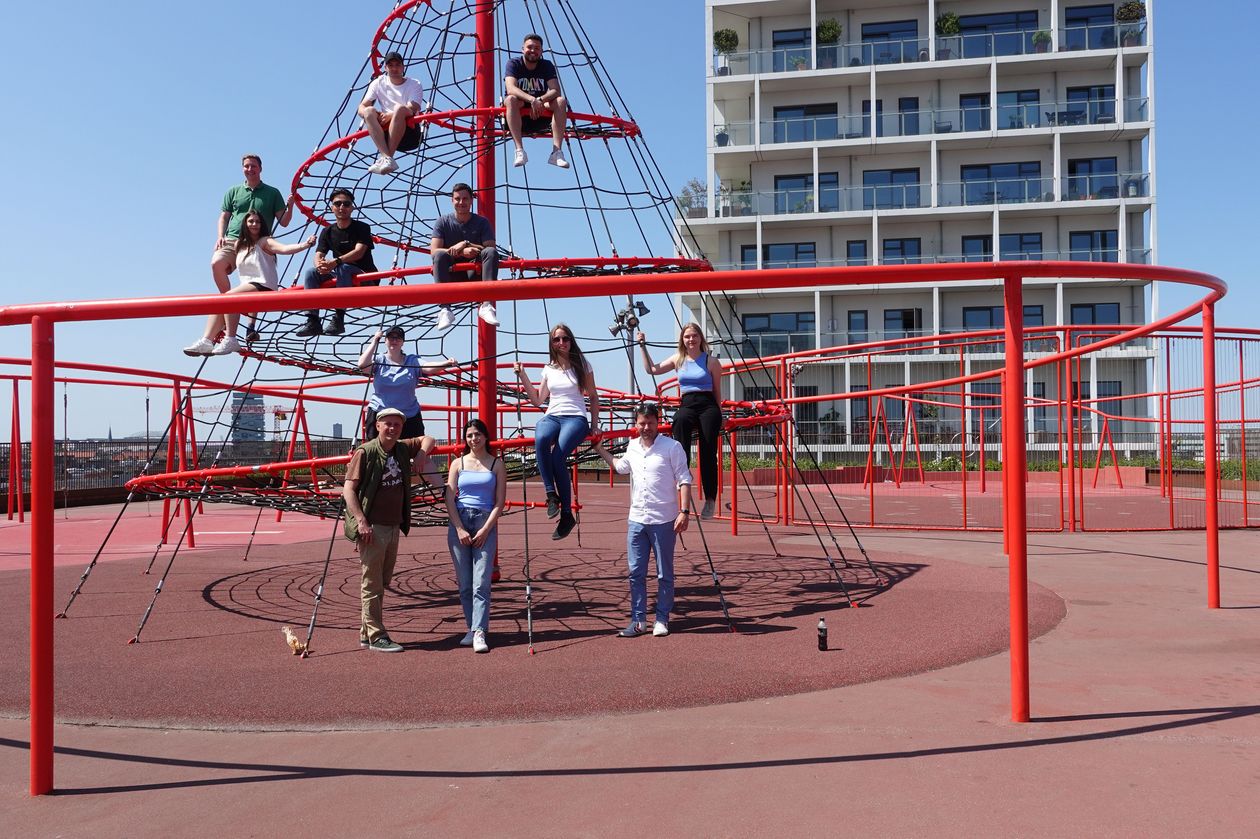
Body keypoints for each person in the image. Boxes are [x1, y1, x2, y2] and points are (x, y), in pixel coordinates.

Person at [591, 403, 693, 638]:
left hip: (664, 520)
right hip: (637, 519)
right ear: (635, 424)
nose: (646, 427)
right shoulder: (633, 446)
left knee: (663, 572)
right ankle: (638, 621)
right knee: (636, 572)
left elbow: (684, 479)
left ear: (658, 423)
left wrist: (684, 511)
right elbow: (621, 467)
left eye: (650, 423)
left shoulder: (672, 447)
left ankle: (662, 618)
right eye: (641, 423)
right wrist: (600, 450)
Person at [342, 408, 436, 653]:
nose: (393, 428)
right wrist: (361, 521)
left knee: (381, 581)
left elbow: (429, 439)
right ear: (378, 426)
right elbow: (348, 490)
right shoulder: (366, 452)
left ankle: (366, 632)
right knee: (371, 583)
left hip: (394, 525)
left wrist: (423, 454)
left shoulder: (402, 448)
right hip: (373, 527)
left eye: (397, 424)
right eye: (388, 424)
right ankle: (376, 635)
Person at [513, 323, 601, 540]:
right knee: (541, 437)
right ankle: (551, 494)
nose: (561, 343)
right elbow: (537, 399)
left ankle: (566, 514)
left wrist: (595, 424)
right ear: (551, 344)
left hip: (575, 417)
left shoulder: (582, 364)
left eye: (565, 338)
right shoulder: (549, 369)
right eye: (556, 339)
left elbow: (593, 396)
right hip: (553, 415)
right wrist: (522, 374)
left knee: (558, 456)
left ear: (571, 341)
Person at [184, 212, 315, 356]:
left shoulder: (265, 241)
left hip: (264, 286)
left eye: (257, 222)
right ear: (245, 224)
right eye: (251, 221)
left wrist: (305, 244)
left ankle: (231, 339)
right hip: (250, 287)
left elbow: (284, 249)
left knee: (228, 298)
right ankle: (206, 341)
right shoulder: (240, 245)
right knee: (219, 301)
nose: (254, 224)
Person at [637, 323, 724, 519]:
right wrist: (642, 345)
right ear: (682, 340)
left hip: (707, 403)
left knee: (708, 451)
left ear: (700, 338)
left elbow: (717, 391)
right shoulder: (679, 359)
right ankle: (683, 477)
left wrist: (720, 414)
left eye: (694, 336)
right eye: (687, 337)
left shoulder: (711, 362)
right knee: (680, 422)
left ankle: (710, 498)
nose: (691, 339)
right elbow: (652, 369)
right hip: (687, 403)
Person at [445, 418, 507, 654]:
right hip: (460, 520)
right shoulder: (457, 463)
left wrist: (485, 529)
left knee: (481, 582)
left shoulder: (496, 464)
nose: (474, 439)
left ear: (485, 436)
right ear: (465, 438)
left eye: (478, 434)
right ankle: (471, 627)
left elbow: (499, 502)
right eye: (470, 435)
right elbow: (450, 498)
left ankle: (480, 630)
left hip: (484, 521)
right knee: (464, 583)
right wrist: (459, 528)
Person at [296, 188, 378, 338]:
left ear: (352, 207)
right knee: (311, 272)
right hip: (340, 274)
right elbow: (319, 253)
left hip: (364, 278)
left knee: (344, 267)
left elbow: (359, 252)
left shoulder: (362, 228)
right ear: (331, 207)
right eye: (338, 203)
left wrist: (335, 262)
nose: (342, 207)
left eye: (346, 204)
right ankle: (312, 319)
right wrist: (320, 265)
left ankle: (339, 318)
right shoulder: (327, 231)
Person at [211, 154, 294, 295]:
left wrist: (291, 207)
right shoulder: (233, 191)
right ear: (242, 168)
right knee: (216, 263)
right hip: (234, 239)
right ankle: (227, 303)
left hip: (257, 242)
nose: (250, 169)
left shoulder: (272, 193)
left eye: (253, 166)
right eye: (246, 166)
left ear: (260, 168)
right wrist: (220, 236)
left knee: (254, 281)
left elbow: (284, 222)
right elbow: (224, 216)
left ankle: (236, 307)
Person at [357, 326, 457, 439]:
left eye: (398, 338)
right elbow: (362, 365)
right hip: (380, 414)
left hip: (408, 415)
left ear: (403, 342)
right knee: (377, 452)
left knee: (413, 450)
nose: (394, 340)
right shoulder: (380, 360)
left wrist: (446, 363)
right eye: (391, 337)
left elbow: (428, 367)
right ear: (385, 341)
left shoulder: (412, 361)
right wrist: (375, 340)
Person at [430, 183, 500, 332]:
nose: (461, 202)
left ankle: (487, 304)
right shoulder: (442, 222)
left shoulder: (482, 222)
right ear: (452, 200)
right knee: (440, 255)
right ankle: (445, 308)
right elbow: (434, 251)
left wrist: (465, 243)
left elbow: (490, 247)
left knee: (491, 253)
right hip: (451, 275)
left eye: (465, 199)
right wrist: (461, 252)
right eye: (457, 199)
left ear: (471, 200)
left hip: (476, 274)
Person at [503, 33, 569, 169]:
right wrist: (532, 100)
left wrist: (539, 100)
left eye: (537, 48)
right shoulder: (514, 63)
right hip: (520, 110)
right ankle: (519, 150)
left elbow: (556, 90)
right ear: (522, 49)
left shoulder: (546, 65)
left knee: (561, 101)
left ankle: (557, 152)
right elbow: (510, 88)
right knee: (511, 100)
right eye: (530, 47)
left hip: (541, 112)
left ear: (541, 51)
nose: (533, 50)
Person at [358, 51, 426, 176]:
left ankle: (387, 157)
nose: (394, 68)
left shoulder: (414, 84)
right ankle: (387, 158)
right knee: (368, 111)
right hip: (387, 132)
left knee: (400, 108)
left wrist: (391, 114)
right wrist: (374, 115)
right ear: (385, 68)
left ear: (403, 67)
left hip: (409, 133)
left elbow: (413, 106)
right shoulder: (378, 83)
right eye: (390, 65)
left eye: (397, 65)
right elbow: (362, 107)